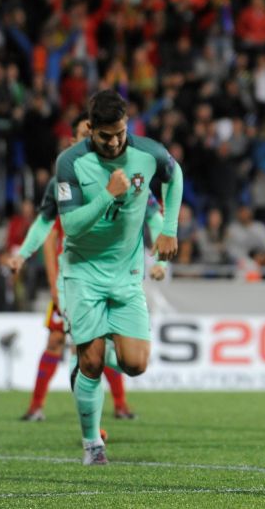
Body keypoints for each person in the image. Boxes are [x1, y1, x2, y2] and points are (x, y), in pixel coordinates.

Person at [10, 113, 167, 423]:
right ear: (75, 140)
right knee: (64, 343)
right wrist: (53, 281)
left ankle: (117, 406)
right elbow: (50, 232)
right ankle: (41, 408)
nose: (97, 141)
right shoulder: (65, 180)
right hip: (75, 276)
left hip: (113, 275)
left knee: (101, 345)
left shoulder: (125, 173)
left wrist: (159, 253)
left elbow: (151, 212)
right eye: (87, 135)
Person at [55, 90, 182, 465]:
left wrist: (169, 228)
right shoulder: (70, 163)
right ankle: (93, 443)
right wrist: (108, 196)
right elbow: (72, 226)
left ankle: (93, 347)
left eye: (120, 133)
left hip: (126, 276)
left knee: (136, 364)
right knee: (91, 364)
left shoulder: (147, 152)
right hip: (83, 273)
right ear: (90, 129)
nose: (114, 142)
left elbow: (175, 176)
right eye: (105, 136)